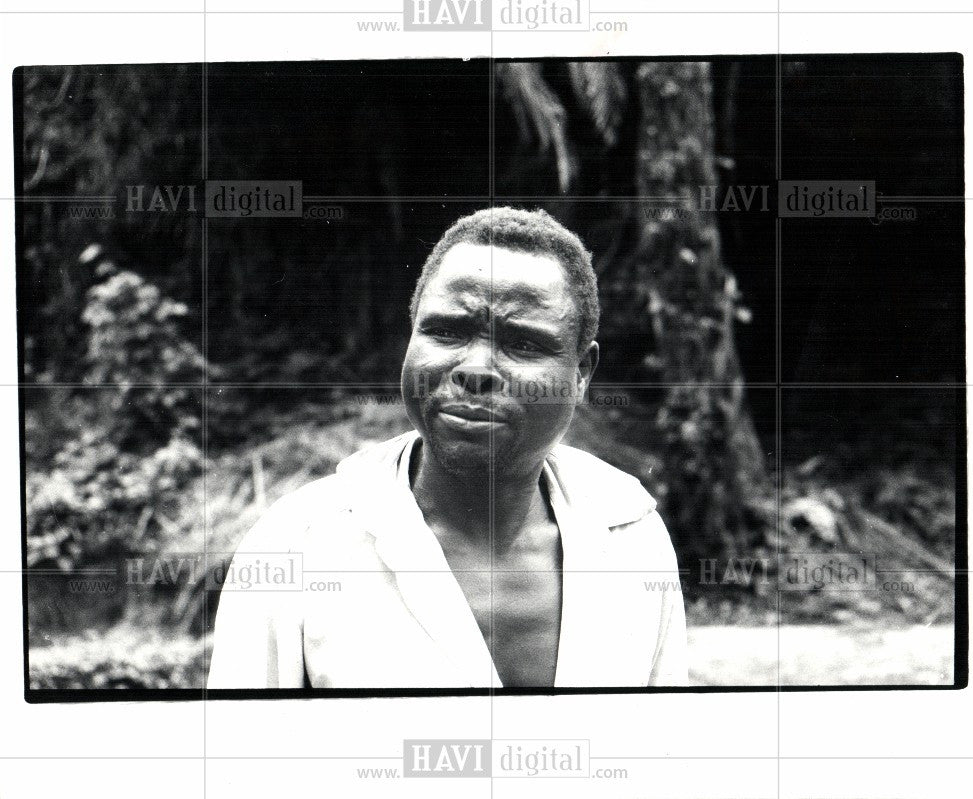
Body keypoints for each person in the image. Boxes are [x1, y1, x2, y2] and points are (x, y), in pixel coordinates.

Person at [208, 207, 687, 689]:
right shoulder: (298, 545)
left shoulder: (631, 535)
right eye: (447, 331)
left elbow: (662, 751)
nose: (475, 369)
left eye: (522, 342)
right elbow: (243, 756)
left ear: (582, 372)